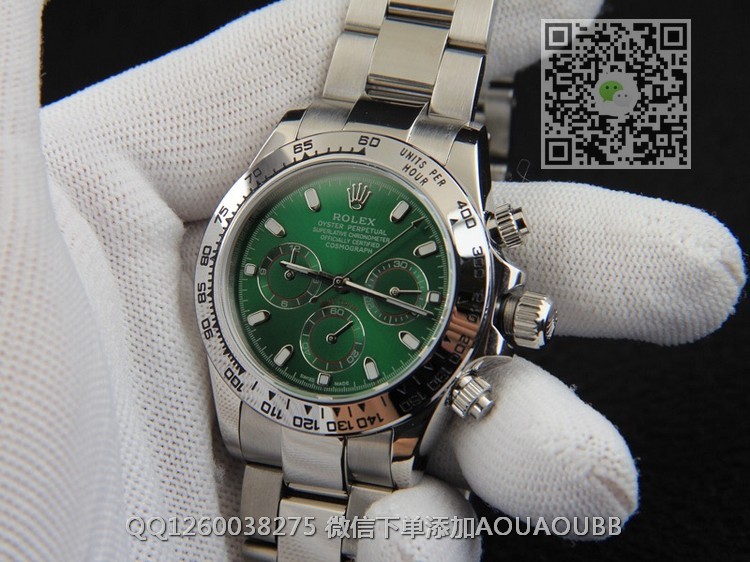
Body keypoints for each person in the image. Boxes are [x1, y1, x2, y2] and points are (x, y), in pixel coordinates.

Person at [0, 0, 744, 560]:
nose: (341, 283)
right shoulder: (284, 160)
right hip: (263, 386)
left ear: (507, 308)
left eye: (381, 289)